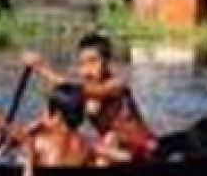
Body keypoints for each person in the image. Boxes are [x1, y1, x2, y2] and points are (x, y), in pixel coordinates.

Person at [23, 33, 158, 163]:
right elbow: (57, 120)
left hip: (145, 150)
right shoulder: (82, 92)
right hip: (116, 151)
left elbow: (73, 89)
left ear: (106, 62)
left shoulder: (116, 86)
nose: (88, 69)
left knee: (109, 139)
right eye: (83, 63)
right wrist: (29, 131)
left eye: (93, 61)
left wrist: (41, 68)